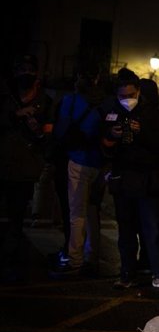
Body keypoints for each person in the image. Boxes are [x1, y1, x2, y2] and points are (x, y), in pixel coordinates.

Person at [101, 72, 159, 290]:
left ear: (139, 92)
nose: (127, 99)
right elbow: (104, 147)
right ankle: (127, 274)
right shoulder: (111, 112)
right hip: (123, 180)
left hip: (147, 181)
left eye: (131, 94)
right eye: (122, 95)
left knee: (152, 229)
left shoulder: (153, 114)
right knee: (126, 231)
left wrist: (141, 132)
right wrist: (112, 137)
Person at [50, 62, 105, 277]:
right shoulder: (104, 102)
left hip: (78, 159)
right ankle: (93, 257)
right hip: (98, 162)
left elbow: (60, 130)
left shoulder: (71, 101)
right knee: (93, 211)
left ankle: (75, 259)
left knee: (76, 212)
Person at [0, 58, 53, 282]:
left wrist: (38, 130)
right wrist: (15, 115)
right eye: (21, 71)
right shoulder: (6, 99)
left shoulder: (45, 101)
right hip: (4, 162)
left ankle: (10, 259)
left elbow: (48, 135)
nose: (26, 75)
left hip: (25, 168)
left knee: (16, 215)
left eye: (30, 71)